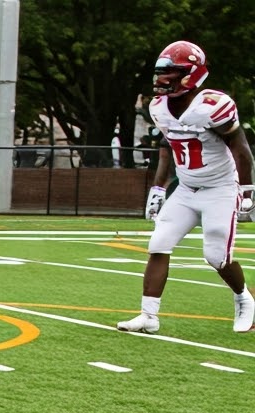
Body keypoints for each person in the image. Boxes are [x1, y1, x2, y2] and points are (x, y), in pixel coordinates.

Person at [117, 41, 255, 336]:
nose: (162, 79)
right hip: (187, 188)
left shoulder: (212, 106)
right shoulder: (158, 107)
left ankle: (244, 298)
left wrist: (246, 190)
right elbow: (168, 146)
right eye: (160, 72)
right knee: (158, 242)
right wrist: (158, 188)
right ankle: (148, 316)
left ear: (190, 75)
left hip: (219, 187)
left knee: (216, 255)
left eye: (171, 72)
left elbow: (241, 148)